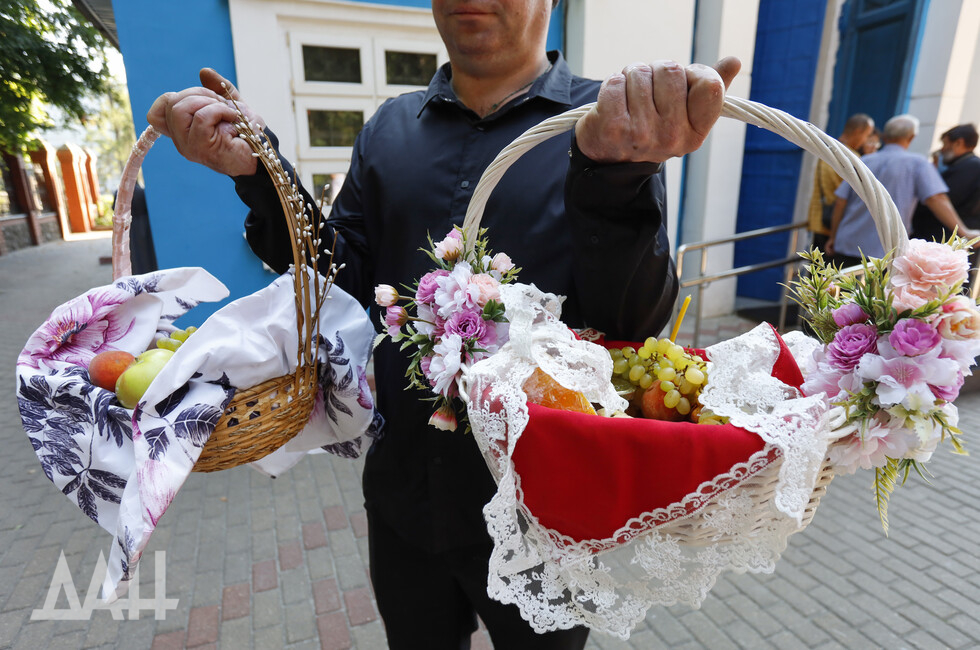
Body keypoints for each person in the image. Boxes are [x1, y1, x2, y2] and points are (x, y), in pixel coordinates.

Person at [148, 2, 740, 647]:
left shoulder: (610, 123)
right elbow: (339, 279)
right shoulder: (390, 128)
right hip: (405, 493)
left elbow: (632, 323)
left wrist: (615, 175)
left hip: (544, 512)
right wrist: (262, 175)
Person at [825, 114, 979, 268]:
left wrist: (833, 236)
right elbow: (936, 199)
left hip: (848, 243)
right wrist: (963, 231)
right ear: (911, 137)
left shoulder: (864, 160)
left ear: (885, 137)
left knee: (840, 283)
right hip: (885, 252)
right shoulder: (917, 164)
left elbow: (841, 202)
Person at [807, 113, 874, 251]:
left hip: (819, 219)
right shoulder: (852, 158)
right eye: (866, 135)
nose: (866, 141)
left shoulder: (826, 150)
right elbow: (849, 196)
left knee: (815, 262)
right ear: (858, 132)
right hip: (836, 226)